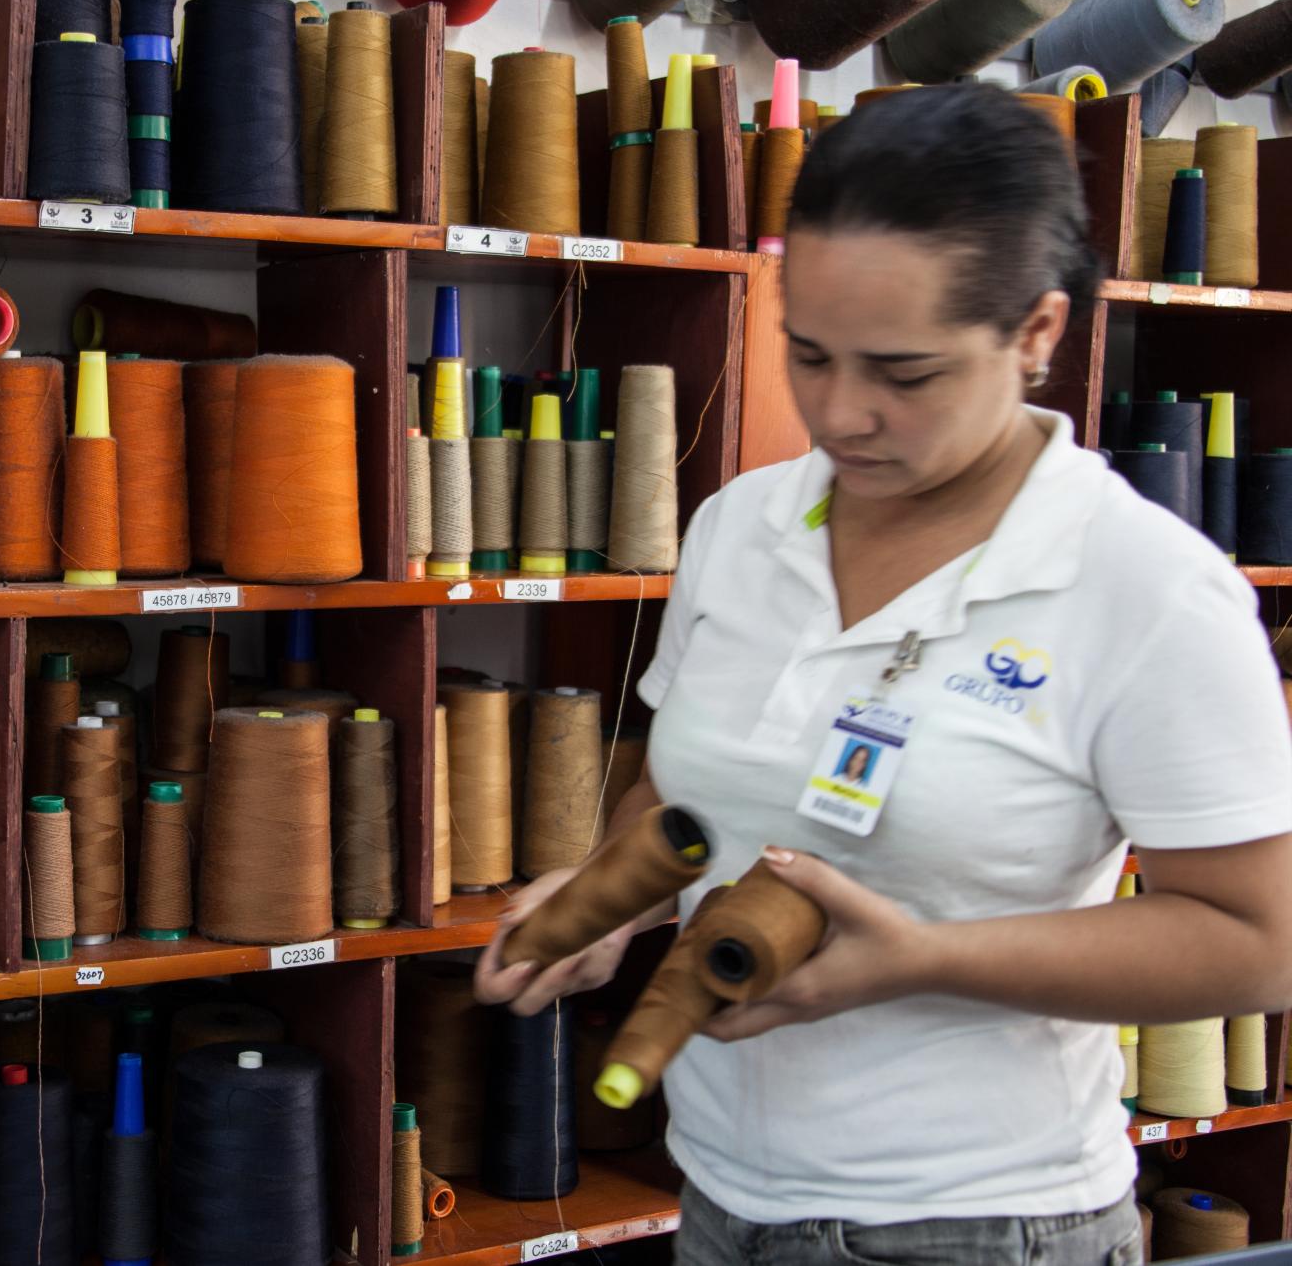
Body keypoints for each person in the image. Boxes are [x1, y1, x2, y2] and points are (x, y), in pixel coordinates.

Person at [475, 85, 1292, 1264]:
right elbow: (684, 799)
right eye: (806, 353)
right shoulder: (738, 527)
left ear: (1036, 335)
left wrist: (922, 959)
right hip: (717, 1199)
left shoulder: (1146, 590)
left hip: (979, 1223)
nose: (839, 413)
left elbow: (1257, 939)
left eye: (902, 374)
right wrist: (609, 899)